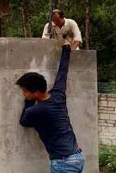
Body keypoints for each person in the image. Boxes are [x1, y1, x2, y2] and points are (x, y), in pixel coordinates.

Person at [16, 44, 85, 173]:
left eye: (25, 91)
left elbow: (23, 121)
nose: (23, 94)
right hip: (77, 156)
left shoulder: (36, 111)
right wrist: (66, 49)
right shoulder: (58, 95)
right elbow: (62, 74)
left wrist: (29, 101)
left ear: (36, 92)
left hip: (63, 162)